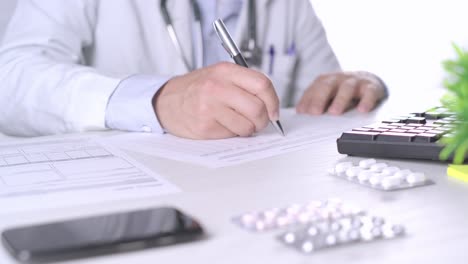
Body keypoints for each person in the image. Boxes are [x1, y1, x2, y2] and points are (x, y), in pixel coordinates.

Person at [0, 0, 387, 139]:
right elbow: (11, 78)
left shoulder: (287, 4)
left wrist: (355, 83)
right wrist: (155, 100)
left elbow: (321, 97)